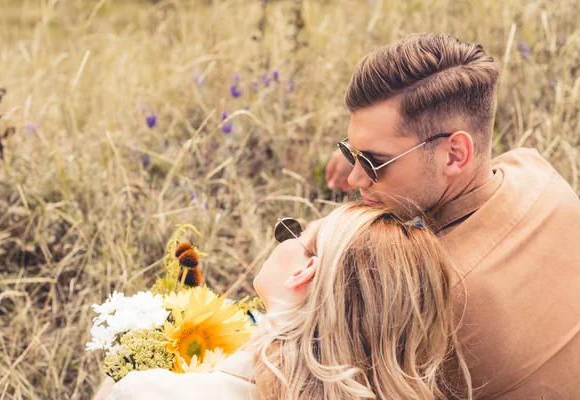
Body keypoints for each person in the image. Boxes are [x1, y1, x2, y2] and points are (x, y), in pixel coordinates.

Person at [325, 33, 580, 398]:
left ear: (456, 154)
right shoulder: (538, 174)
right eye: (352, 154)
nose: (354, 178)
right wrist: (372, 150)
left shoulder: (424, 291)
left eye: (373, 163)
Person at [96, 203, 473, 399]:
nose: (284, 237)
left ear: (303, 273)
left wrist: (119, 371)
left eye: (295, 232)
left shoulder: (148, 392)